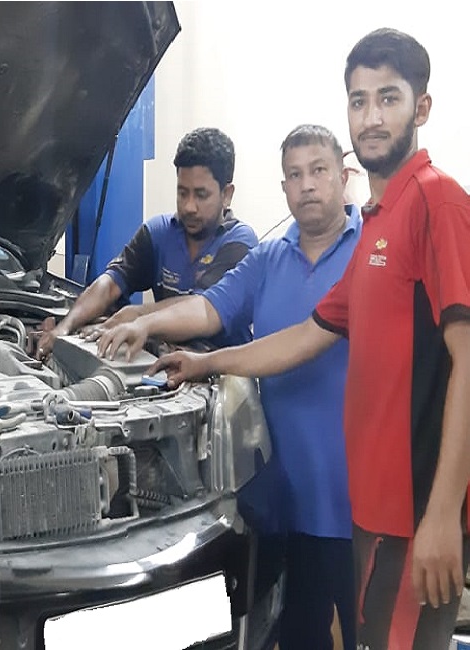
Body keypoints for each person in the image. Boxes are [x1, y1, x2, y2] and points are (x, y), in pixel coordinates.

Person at [150, 28, 470, 650]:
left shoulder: (439, 202)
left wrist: (441, 517)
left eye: (389, 98)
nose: (371, 117)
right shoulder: (377, 225)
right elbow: (304, 336)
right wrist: (205, 363)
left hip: (414, 517)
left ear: (422, 108)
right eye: (358, 100)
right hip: (369, 513)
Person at [94, 124, 359, 650]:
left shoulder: (370, 250)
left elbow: (299, 343)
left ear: (343, 176)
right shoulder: (268, 258)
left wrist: (203, 359)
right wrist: (146, 323)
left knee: (367, 633)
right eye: (294, 175)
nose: (306, 185)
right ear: (283, 186)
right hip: (285, 494)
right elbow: (210, 307)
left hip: (356, 496)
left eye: (318, 171)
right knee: (297, 633)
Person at [33, 127, 258, 360]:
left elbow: (204, 307)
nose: (189, 206)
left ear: (226, 194)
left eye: (201, 195)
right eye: (182, 193)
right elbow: (110, 284)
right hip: (167, 364)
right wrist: (65, 328)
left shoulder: (240, 245)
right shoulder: (159, 233)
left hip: (223, 375)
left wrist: (136, 316)